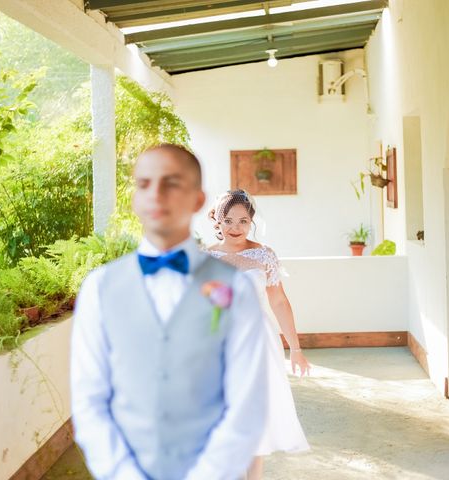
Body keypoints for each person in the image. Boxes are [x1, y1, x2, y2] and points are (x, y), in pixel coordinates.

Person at [70, 145, 269, 480]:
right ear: (134, 198)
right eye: (144, 184)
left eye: (171, 183)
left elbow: (247, 404)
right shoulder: (99, 288)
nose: (156, 195)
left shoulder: (238, 290)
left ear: (197, 199)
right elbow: (88, 400)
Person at [207, 189, 311, 480]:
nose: (235, 229)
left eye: (242, 221)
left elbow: (279, 302)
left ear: (251, 221)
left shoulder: (264, 255)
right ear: (216, 220)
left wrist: (296, 348)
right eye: (228, 221)